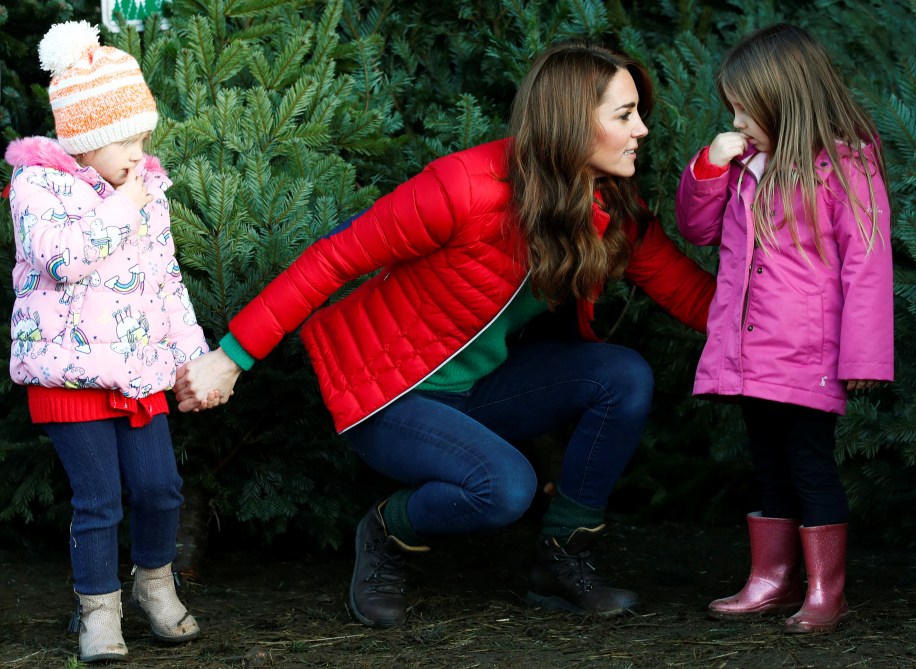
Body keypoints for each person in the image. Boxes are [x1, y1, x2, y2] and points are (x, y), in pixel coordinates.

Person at [174, 40, 716, 628]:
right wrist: (231, 358)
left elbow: (691, 296)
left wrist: (799, 340)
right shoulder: (461, 188)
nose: (640, 129)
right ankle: (386, 531)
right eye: (623, 114)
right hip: (391, 394)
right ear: (570, 122)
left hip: (480, 390)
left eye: (638, 112)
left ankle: (562, 558)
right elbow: (332, 260)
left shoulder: (608, 207)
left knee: (623, 376)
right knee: (507, 488)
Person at [5, 21, 216, 662]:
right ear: (85, 137)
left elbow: (166, 277)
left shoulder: (144, 190)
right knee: (98, 499)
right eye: (122, 140)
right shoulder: (37, 187)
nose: (136, 153)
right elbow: (63, 258)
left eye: (142, 137)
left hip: (137, 368)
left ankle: (154, 583)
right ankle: (98, 611)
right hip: (67, 374)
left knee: (159, 488)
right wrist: (123, 205)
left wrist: (192, 354)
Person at [675, 23, 893, 634]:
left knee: (809, 464)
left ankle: (827, 590)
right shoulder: (742, 163)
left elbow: (868, 264)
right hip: (749, 352)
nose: (737, 122)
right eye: (733, 110)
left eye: (746, 111)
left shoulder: (845, 166)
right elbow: (696, 229)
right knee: (768, 464)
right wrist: (709, 166)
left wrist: (865, 360)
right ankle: (770, 580)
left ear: (785, 102)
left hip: (808, 353)